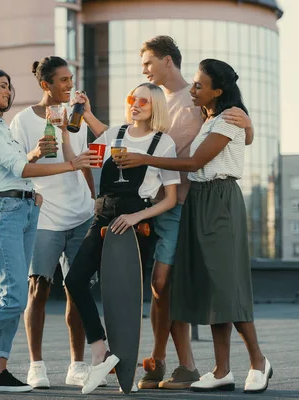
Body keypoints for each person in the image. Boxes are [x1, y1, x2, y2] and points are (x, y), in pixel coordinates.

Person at [0, 68, 101, 393]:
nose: (8, 92)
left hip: (25, 209)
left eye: (10, 87)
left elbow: (19, 164)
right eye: (2, 86)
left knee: (10, 297)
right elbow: (19, 168)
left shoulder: (0, 127)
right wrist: (70, 164)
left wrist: (34, 177)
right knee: (13, 298)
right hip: (5, 213)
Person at [115, 59, 272, 394]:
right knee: (213, 286)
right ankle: (222, 370)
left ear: (218, 91)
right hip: (199, 199)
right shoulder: (210, 116)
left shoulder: (229, 118)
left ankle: (258, 362)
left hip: (220, 201)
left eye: (200, 86)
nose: (194, 90)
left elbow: (196, 162)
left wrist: (145, 159)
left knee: (227, 285)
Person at [64, 82, 181, 395]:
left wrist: (136, 218)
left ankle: (123, 363)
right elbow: (90, 155)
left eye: (143, 100)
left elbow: (169, 199)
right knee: (74, 281)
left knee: (124, 298)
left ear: (154, 106)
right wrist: (81, 118)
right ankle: (100, 350)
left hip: (134, 226)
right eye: (132, 98)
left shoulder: (162, 143)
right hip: (102, 217)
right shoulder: (114, 135)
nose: (135, 104)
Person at [9, 56, 98, 389]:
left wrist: (94, 200)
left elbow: (86, 162)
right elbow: (17, 165)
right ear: (45, 84)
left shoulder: (77, 118)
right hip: (44, 216)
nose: (69, 85)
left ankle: (77, 365)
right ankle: (37, 365)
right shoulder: (22, 121)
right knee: (39, 289)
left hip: (81, 214)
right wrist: (34, 152)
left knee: (78, 291)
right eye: (63, 80)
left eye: (71, 79)